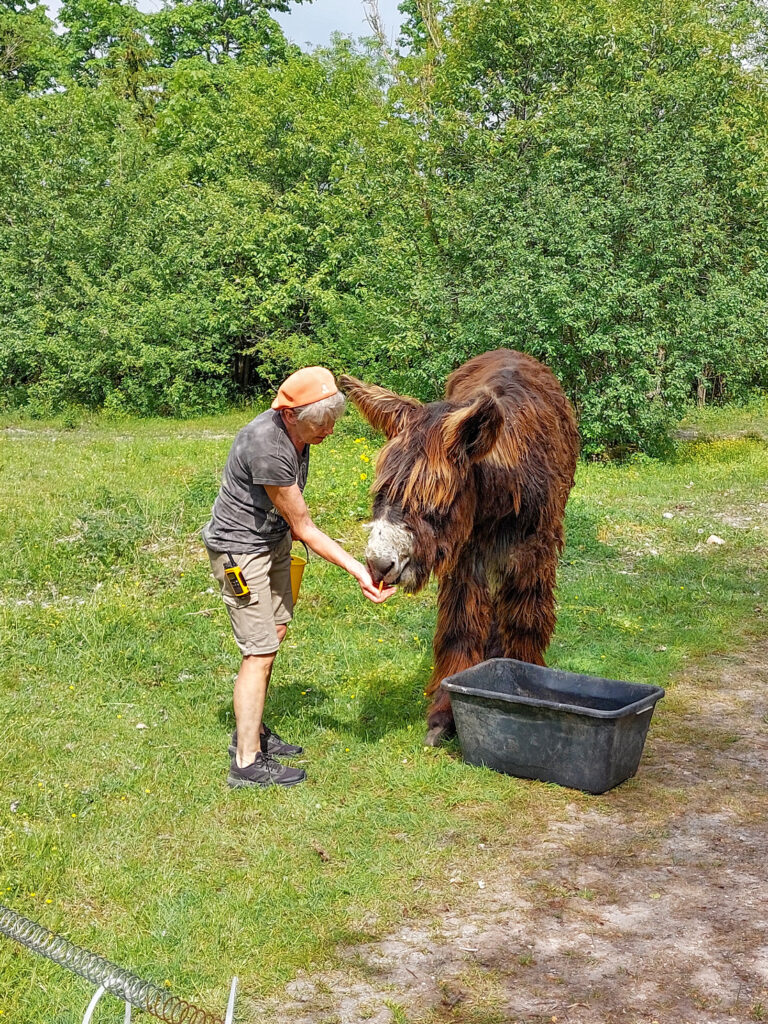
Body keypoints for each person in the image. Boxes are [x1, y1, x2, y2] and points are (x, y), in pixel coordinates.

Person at [202, 366, 395, 789]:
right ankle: (247, 762)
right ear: (290, 415)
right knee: (259, 651)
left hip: (272, 546)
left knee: (276, 631)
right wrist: (359, 570)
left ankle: (251, 730)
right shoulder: (267, 445)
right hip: (239, 553)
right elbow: (304, 526)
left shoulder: (300, 433)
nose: (327, 432)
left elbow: (292, 528)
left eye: (331, 422)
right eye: (319, 424)